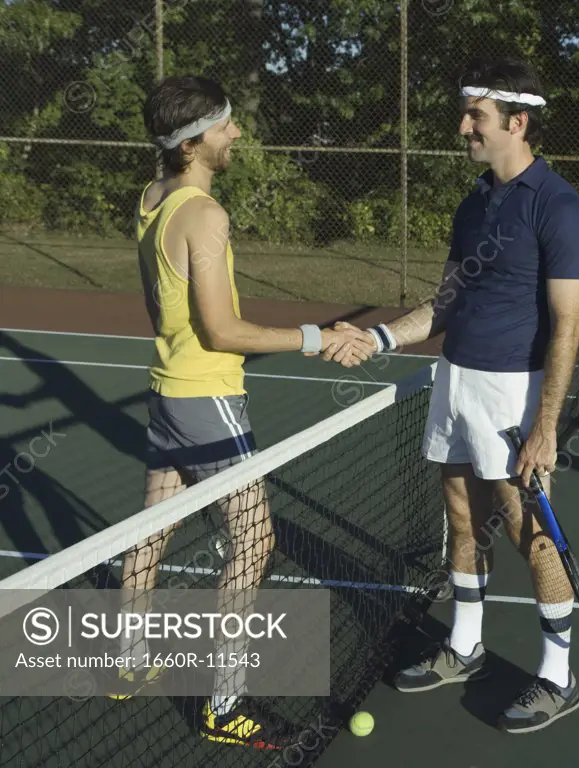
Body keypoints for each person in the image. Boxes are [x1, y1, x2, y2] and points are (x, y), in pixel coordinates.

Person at [112, 75, 373, 750]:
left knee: (153, 523)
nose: (236, 134)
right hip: (207, 398)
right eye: (225, 126)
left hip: (167, 389)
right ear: (194, 143)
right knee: (255, 542)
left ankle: (131, 656)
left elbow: (168, 308)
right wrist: (319, 337)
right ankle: (224, 705)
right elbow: (224, 330)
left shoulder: (152, 199)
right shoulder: (203, 215)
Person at [336, 57, 579, 733]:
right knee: (458, 518)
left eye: (475, 115)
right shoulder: (474, 201)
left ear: (517, 121)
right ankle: (466, 643)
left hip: (513, 392)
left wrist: (546, 426)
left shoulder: (558, 206)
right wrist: (380, 340)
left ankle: (557, 678)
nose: (463, 127)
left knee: (528, 534)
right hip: (455, 381)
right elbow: (446, 301)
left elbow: (568, 325)